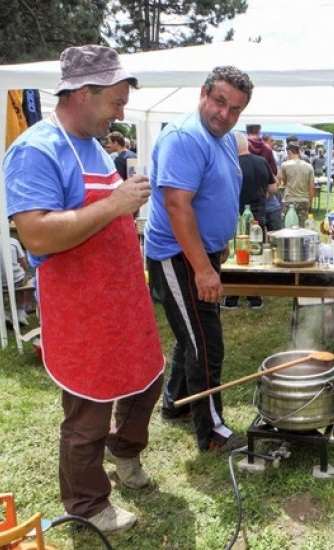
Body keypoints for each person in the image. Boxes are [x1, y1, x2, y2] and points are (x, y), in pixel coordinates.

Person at [4, 44, 164, 534]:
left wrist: (123, 207)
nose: (120, 112)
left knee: (147, 379)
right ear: (82, 93)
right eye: (114, 101)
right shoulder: (35, 149)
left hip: (121, 299)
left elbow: (101, 214)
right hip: (79, 307)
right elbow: (37, 233)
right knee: (88, 413)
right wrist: (115, 206)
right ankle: (88, 503)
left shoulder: (95, 145)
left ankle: (125, 451)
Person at [145, 66, 254, 452]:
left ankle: (176, 404)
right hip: (177, 255)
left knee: (190, 331)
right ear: (204, 94)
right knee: (205, 342)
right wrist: (203, 268)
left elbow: (217, 190)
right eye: (220, 102)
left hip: (202, 250)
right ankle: (212, 431)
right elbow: (178, 207)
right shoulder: (184, 137)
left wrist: (217, 242)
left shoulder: (223, 138)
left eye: (236, 109)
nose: (225, 114)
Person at [222, 132, 276, 310]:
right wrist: (262, 196)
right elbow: (273, 188)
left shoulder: (230, 164)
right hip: (257, 217)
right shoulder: (261, 162)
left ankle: (232, 297)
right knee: (255, 256)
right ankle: (255, 297)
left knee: (235, 257)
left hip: (234, 217)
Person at [279, 143, 315, 223]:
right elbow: (312, 187)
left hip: (289, 200)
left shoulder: (284, 165)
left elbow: (284, 182)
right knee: (302, 229)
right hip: (304, 200)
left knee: (288, 228)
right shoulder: (309, 166)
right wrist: (310, 202)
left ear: (289, 152)